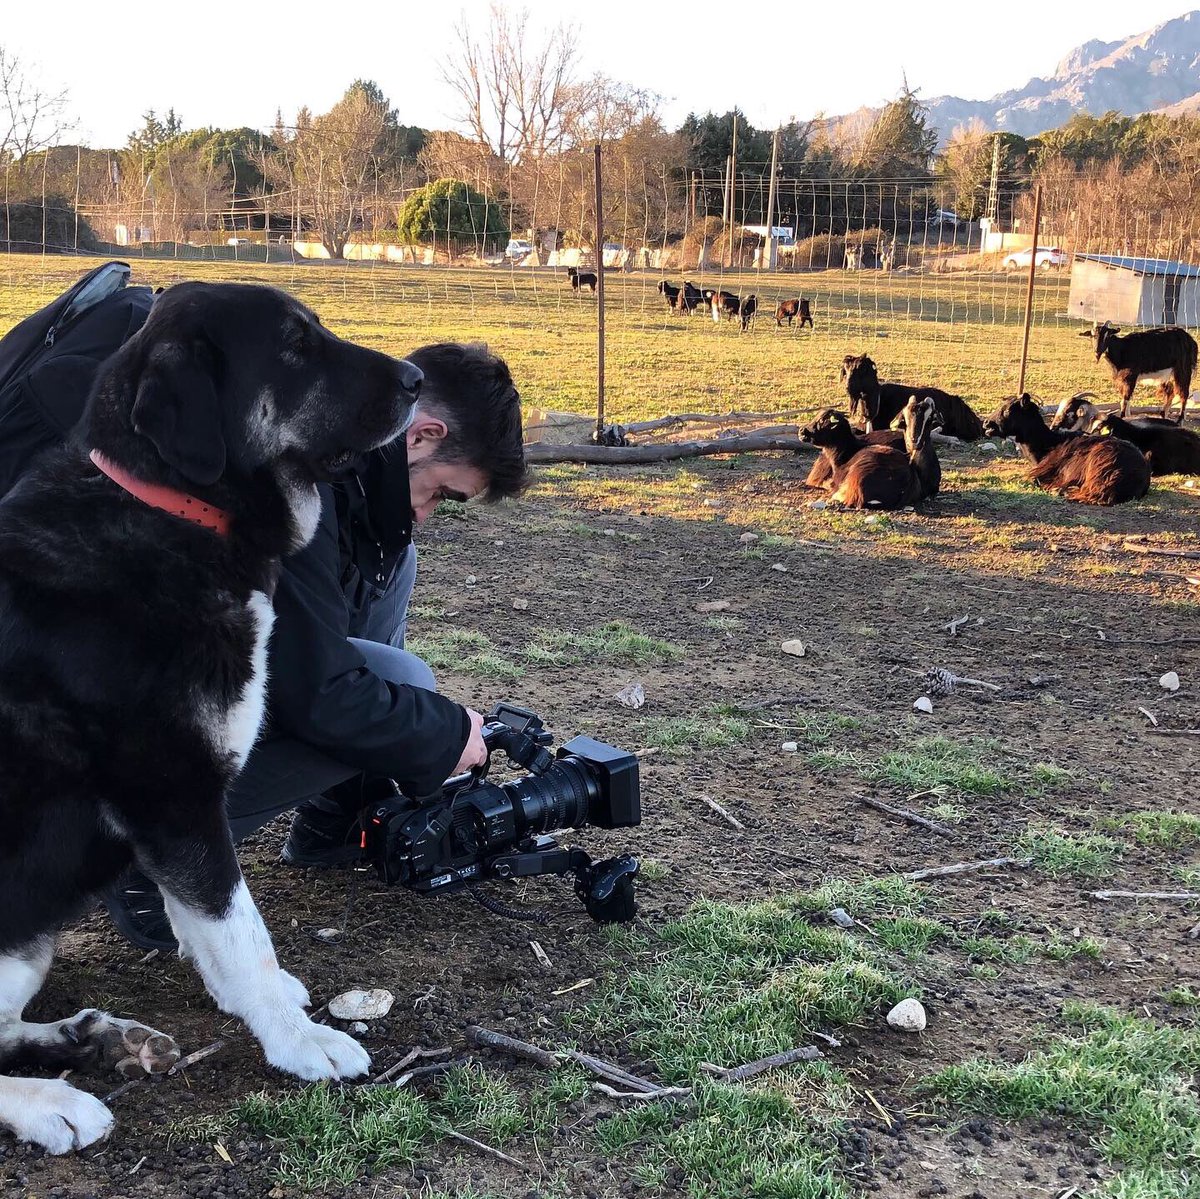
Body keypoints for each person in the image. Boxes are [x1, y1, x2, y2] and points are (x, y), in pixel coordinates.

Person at [104, 342, 528, 951]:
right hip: (112, 729)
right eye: (441, 492)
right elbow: (319, 693)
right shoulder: (291, 482)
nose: (431, 512)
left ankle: (342, 817)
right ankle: (155, 863)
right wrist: (444, 733)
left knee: (395, 572)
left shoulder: (334, 457)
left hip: (153, 690)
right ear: (422, 436)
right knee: (399, 679)